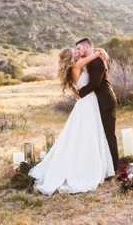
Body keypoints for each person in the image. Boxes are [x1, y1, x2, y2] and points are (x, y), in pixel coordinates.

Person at [28, 45, 115, 195]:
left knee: (89, 132)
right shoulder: (76, 65)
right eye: (75, 52)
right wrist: (100, 51)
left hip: (88, 101)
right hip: (87, 102)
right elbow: (92, 57)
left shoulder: (76, 65)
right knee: (88, 133)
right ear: (70, 57)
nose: (77, 53)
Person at [75, 37, 119, 172]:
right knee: (102, 134)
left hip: (106, 101)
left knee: (109, 134)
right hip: (98, 102)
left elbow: (95, 83)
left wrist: (79, 93)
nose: (78, 50)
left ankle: (115, 166)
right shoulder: (93, 59)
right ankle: (106, 164)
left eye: (79, 48)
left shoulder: (97, 61)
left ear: (86, 46)